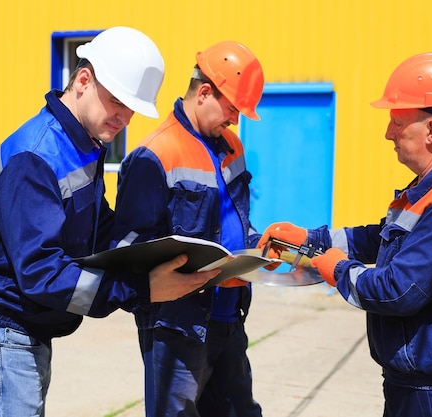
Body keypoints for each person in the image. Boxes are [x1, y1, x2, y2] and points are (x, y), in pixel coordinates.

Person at [0, 26, 218, 417]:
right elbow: (42, 273)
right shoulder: (35, 156)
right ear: (83, 80)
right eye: (116, 102)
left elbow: (99, 229)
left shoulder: (81, 146)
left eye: (132, 109)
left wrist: (161, 254)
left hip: (20, 334)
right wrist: (140, 287)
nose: (124, 118)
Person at [257, 52, 432, 417]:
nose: (388, 133)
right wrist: (309, 238)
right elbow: (379, 238)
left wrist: (337, 269)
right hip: (421, 384)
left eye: (397, 122)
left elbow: (398, 291)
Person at [112, 41, 265, 417]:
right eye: (232, 109)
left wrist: (258, 249)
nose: (235, 119)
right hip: (177, 327)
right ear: (205, 93)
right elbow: (130, 248)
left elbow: (235, 219)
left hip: (229, 319)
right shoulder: (154, 155)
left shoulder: (232, 146)